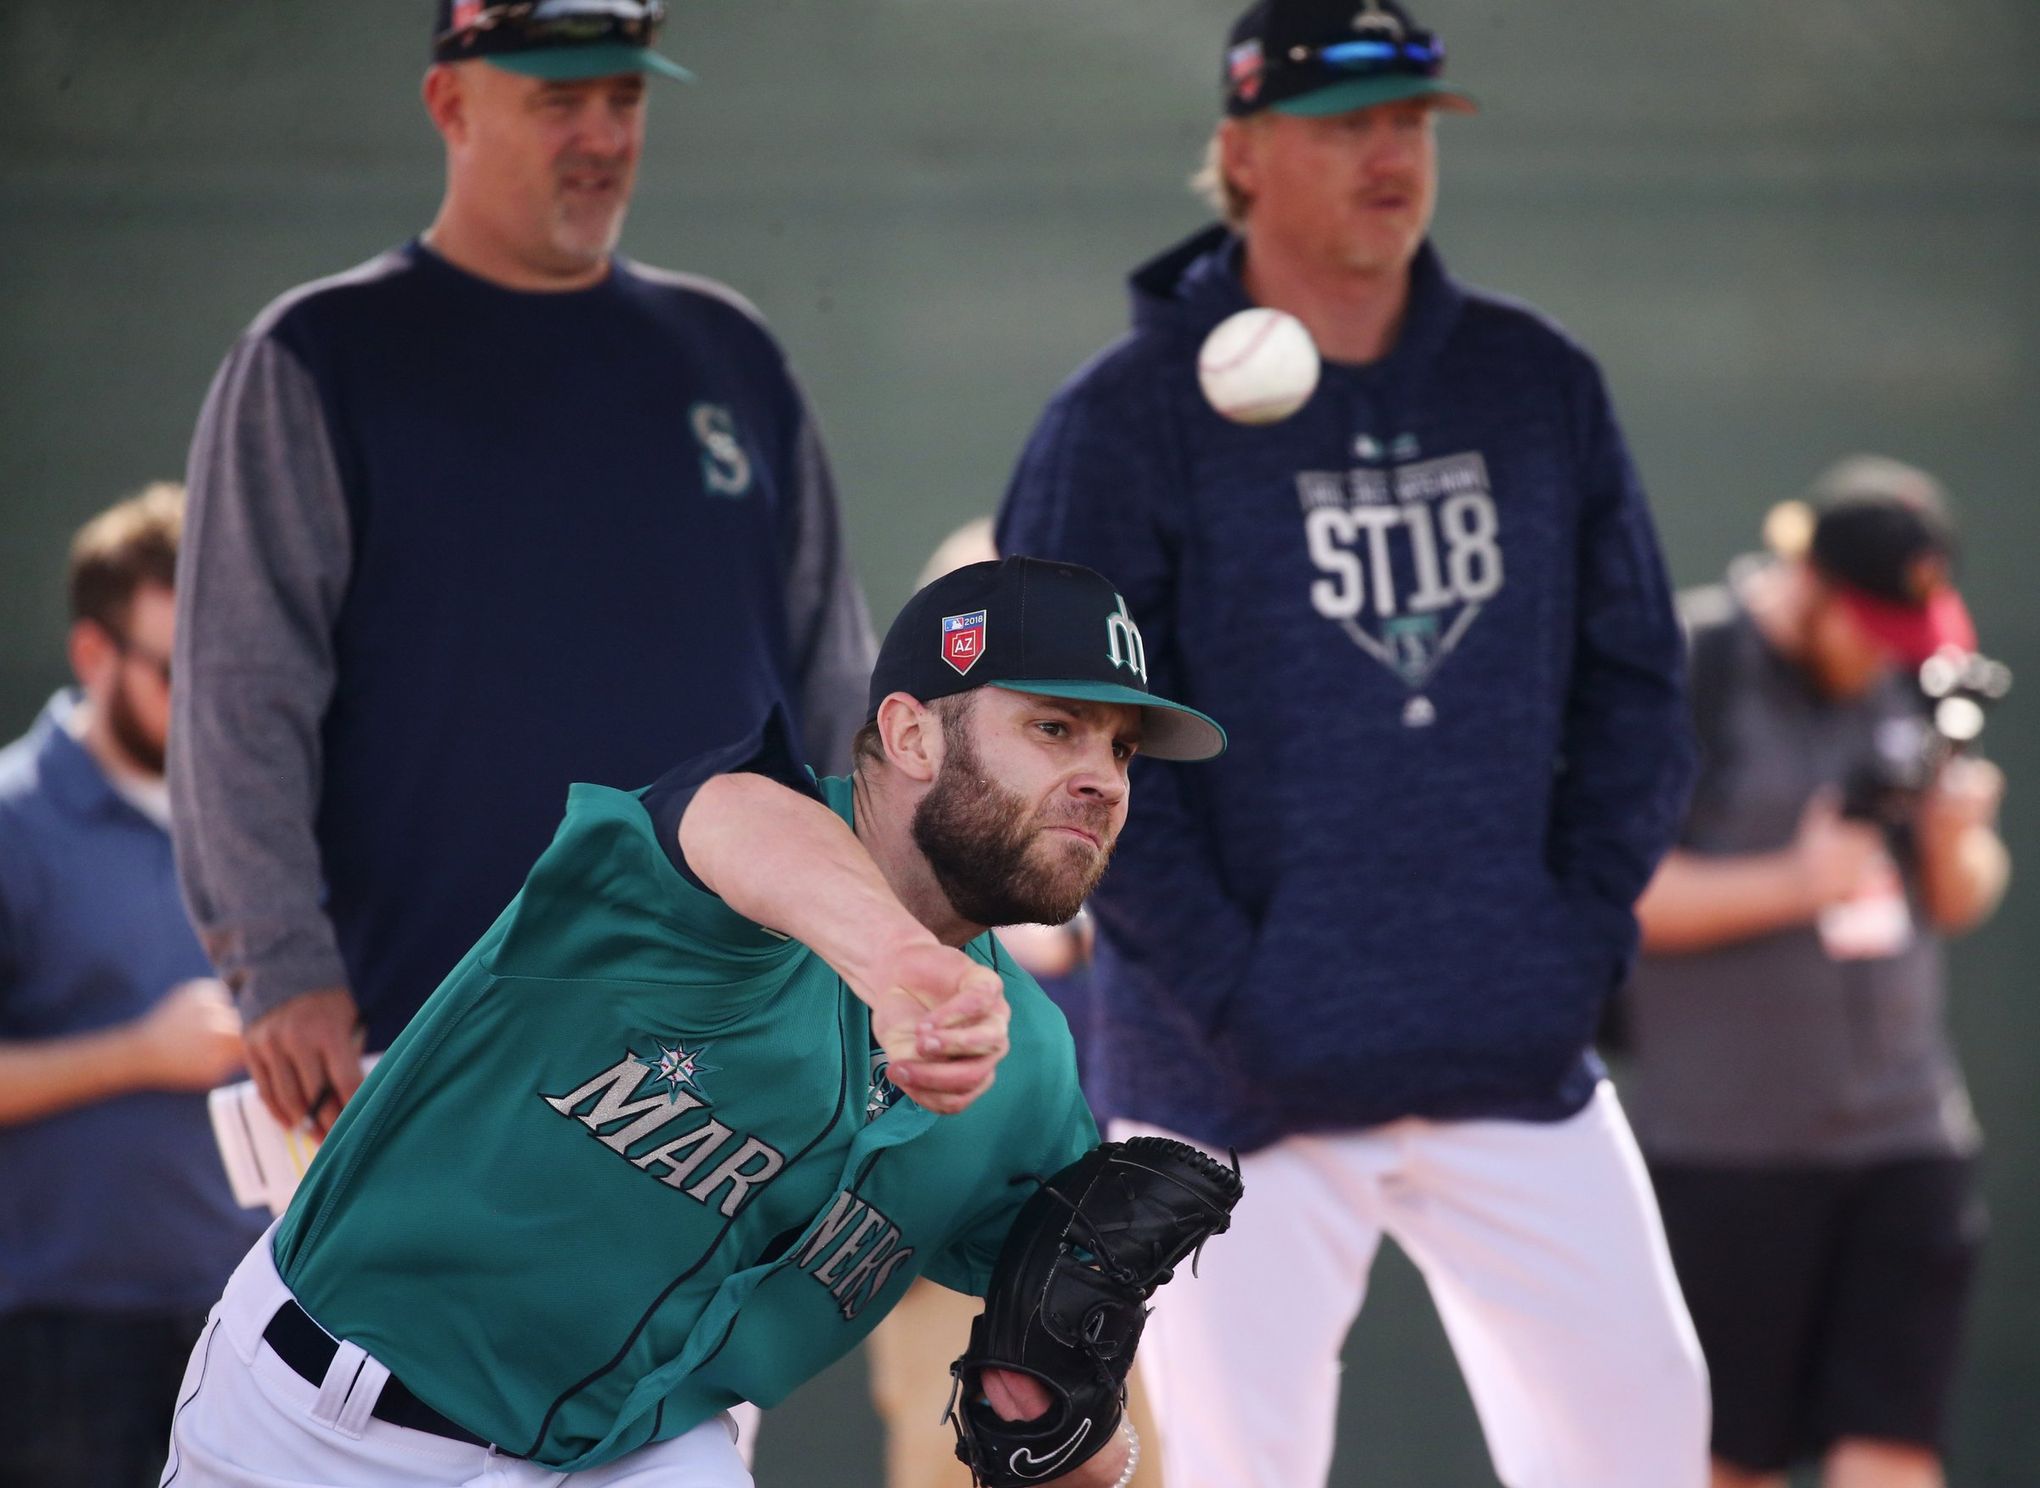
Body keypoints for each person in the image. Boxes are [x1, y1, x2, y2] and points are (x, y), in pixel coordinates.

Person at [997, 2, 1709, 1484]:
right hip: (1226, 1082)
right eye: (1344, 127)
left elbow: (1638, 680)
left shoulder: (1533, 382)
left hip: (1509, 1047)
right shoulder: (1124, 420)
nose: (1390, 156)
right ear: (1244, 155)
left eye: (1411, 123)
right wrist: (1243, 992)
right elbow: (1056, 740)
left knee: (1645, 1439)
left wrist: (1567, 947)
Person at [159, 556, 1226, 1488]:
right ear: (909, 734)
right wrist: (903, 964)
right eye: (1055, 727)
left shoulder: (1029, 1071)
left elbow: (1057, 1390)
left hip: (642, 1453)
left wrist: (1079, 1431)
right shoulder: (701, 875)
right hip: (322, 1427)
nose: (1100, 778)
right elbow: (734, 824)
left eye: (1123, 752)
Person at [171, 0, 875, 1155]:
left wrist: (872, 940)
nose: (602, 134)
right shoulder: (319, 357)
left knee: (705, 1344)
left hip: (726, 1044)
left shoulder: (730, 351)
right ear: (450, 103)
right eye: (560, 101)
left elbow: (836, 686)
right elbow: (240, 696)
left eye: (627, 97)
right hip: (430, 1040)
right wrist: (279, 963)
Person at [1620, 458, 2007, 1488]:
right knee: (1725, 1457)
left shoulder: (1919, 681)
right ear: (1811, 588)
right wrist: (1798, 880)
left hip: (1907, 1135)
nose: (1891, 659)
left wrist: (1957, 839)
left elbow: (1960, 899)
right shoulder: (1687, 666)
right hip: (1729, 1154)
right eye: (1873, 632)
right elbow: (1621, 896)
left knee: (1894, 1447)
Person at [0, 485, 265, 1488]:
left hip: (251, 1325)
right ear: (91, 658)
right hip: (63, 1341)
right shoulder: (14, 827)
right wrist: (136, 1056)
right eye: (175, 671)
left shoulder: (269, 825)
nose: (209, 701)